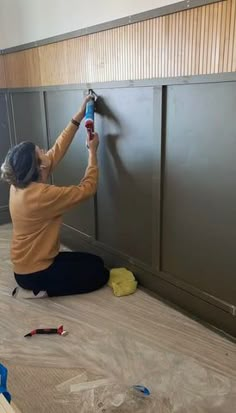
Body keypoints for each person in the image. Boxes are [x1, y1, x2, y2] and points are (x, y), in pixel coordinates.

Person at [1, 96, 109, 297]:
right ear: (40, 167)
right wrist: (92, 153)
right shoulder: (42, 196)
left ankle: (47, 281)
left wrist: (79, 115)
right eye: (40, 151)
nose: (44, 150)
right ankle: (39, 291)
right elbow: (87, 188)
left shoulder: (19, 182)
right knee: (100, 274)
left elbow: (57, 148)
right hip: (35, 273)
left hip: (34, 261)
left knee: (96, 261)